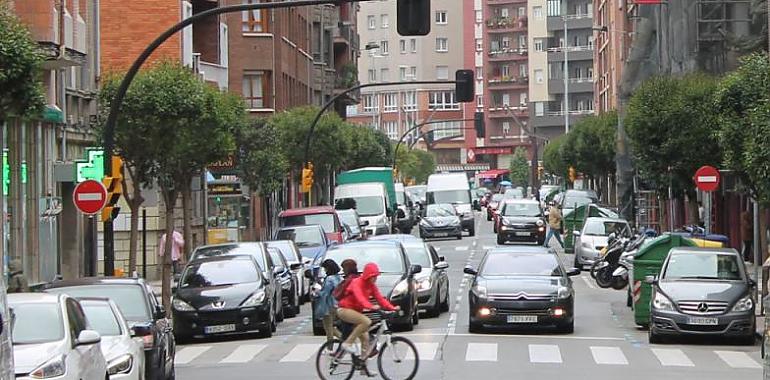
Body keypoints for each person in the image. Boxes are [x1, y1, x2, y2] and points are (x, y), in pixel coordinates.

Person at [336, 263, 399, 359]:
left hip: (355, 312)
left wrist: (392, 308)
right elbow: (360, 298)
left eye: (376, 276)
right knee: (366, 321)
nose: (375, 279)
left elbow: (380, 299)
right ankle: (347, 343)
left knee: (366, 339)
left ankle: (362, 366)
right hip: (344, 309)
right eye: (373, 276)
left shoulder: (371, 286)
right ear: (367, 276)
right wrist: (371, 306)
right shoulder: (356, 282)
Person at [313, 259, 343, 342]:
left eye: (325, 268)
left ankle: (334, 345)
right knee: (330, 327)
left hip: (329, 306)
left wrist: (317, 292)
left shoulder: (329, 279)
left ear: (328, 268)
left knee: (328, 328)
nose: (324, 270)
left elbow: (325, 293)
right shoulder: (339, 278)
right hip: (338, 305)